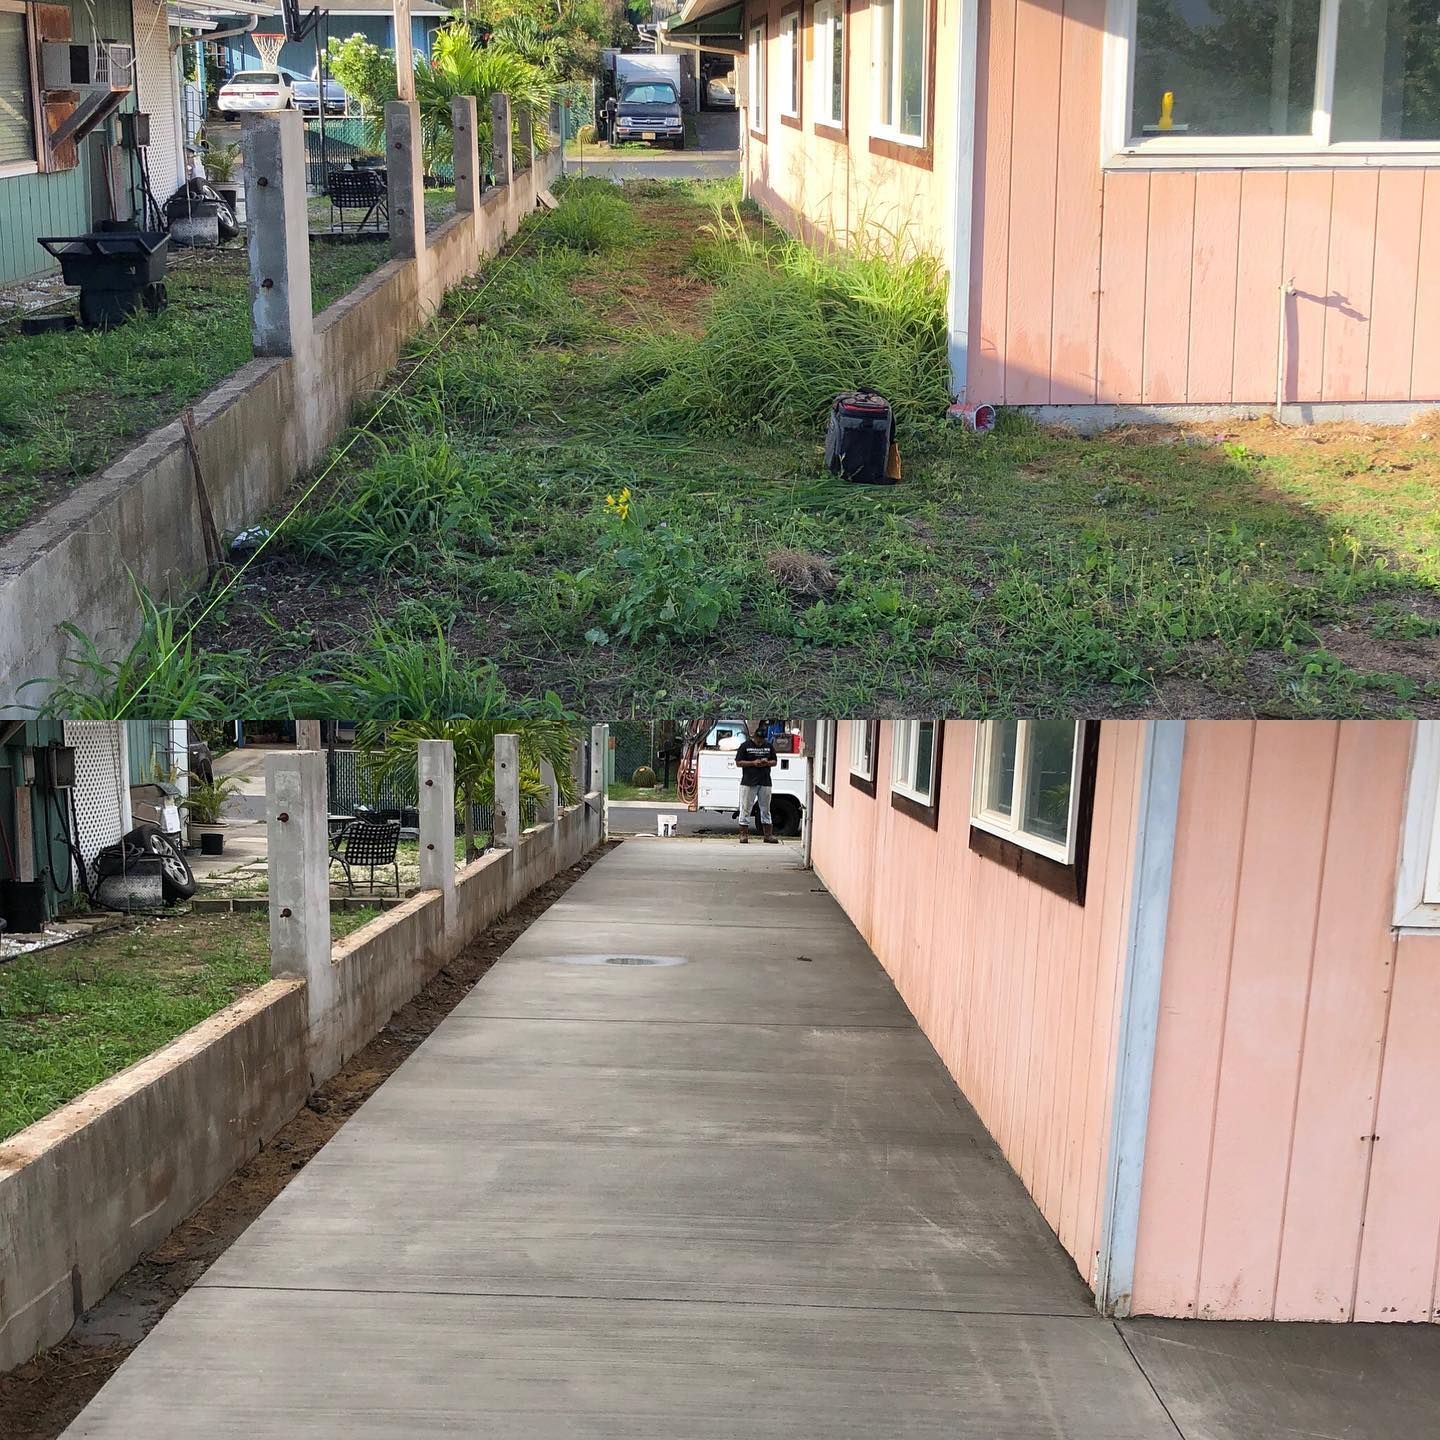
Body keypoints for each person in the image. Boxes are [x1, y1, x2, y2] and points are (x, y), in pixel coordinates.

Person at [734, 719, 778, 844]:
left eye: (762, 740)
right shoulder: (745, 746)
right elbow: (738, 762)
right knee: (746, 807)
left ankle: (768, 835)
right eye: (758, 739)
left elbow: (774, 761)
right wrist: (753, 763)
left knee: (766, 808)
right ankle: (743, 835)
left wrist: (767, 762)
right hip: (748, 781)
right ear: (754, 737)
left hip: (765, 781)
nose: (759, 742)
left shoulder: (768, 746)